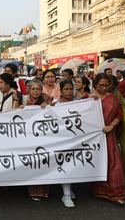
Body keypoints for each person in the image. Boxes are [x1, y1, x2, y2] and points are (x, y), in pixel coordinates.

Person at [90, 73, 125, 206]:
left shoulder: (114, 99)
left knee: (113, 163)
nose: (104, 88)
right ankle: (99, 190)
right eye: (101, 85)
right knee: (97, 162)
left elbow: (119, 115)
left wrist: (111, 125)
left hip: (108, 135)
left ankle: (116, 194)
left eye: (106, 85)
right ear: (95, 85)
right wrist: (91, 102)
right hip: (93, 138)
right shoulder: (89, 99)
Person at [18, 79, 52, 201]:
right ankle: (33, 190)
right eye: (33, 89)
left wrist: (47, 107)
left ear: (41, 90)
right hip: (29, 136)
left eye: (38, 89)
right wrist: (21, 108)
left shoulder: (47, 99)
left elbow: (54, 113)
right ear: (29, 90)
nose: (36, 91)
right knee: (33, 162)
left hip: (44, 135)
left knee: (43, 162)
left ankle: (43, 191)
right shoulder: (24, 100)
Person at [50, 79, 77, 208]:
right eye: (66, 89)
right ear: (60, 90)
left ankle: (68, 190)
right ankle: (66, 194)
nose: (69, 92)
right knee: (65, 165)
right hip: (60, 141)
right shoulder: (55, 105)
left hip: (76, 141)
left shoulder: (80, 103)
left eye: (71, 89)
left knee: (72, 166)